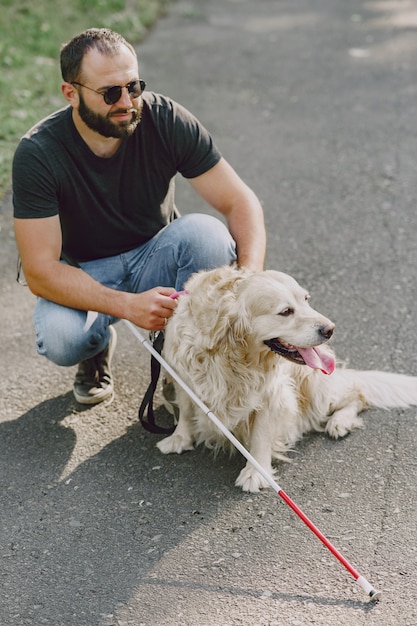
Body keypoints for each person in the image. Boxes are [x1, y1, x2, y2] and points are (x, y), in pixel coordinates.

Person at [13, 28, 266, 406]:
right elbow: (40, 271)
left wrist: (249, 283)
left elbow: (239, 201)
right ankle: (96, 348)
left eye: (133, 87)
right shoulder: (38, 153)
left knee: (207, 235)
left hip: (156, 253)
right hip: (85, 271)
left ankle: (178, 360)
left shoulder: (164, 119)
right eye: (110, 92)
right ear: (71, 93)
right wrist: (126, 306)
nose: (127, 102)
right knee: (61, 338)